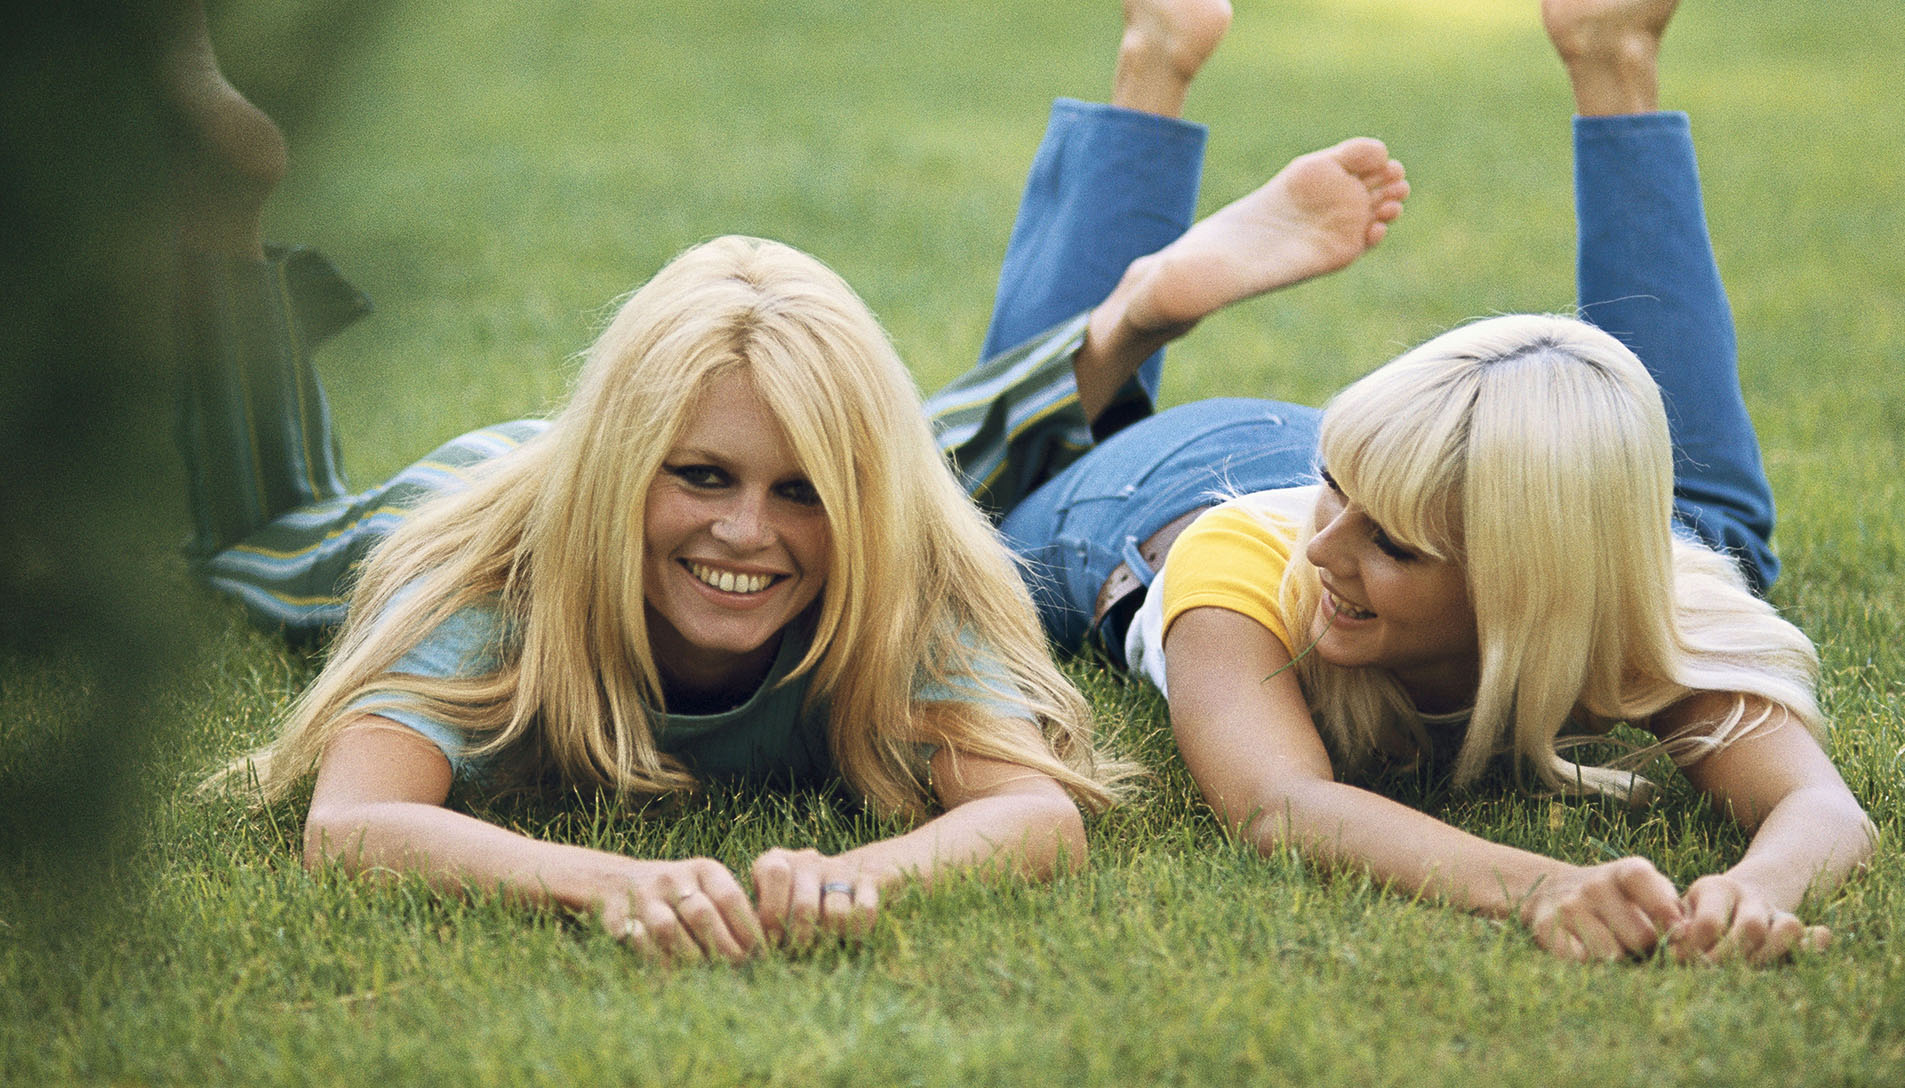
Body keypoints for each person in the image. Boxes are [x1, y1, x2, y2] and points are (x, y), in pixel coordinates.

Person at [167, 1, 1300, 963]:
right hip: (488, 493)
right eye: (702, 476)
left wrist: (865, 879)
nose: (748, 531)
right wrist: (593, 878)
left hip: (815, 470)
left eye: (802, 489)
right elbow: (355, 821)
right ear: (627, 467)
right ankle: (220, 223)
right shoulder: (497, 576)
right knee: (273, 542)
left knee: (935, 456)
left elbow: (1033, 811)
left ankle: (1135, 171)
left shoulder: (896, 566)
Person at [933, 0, 1875, 965]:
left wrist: (1755, 893)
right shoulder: (1252, 571)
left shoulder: (1640, 610)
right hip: (1157, 491)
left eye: (1388, 544)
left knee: (1709, 538)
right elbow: (1282, 805)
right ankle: (1133, 280)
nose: (1321, 545)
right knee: (953, 510)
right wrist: (1545, 887)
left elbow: (1820, 808)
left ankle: (1614, 54)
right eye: (1339, 504)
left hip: (1423, 466)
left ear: (1530, 582)